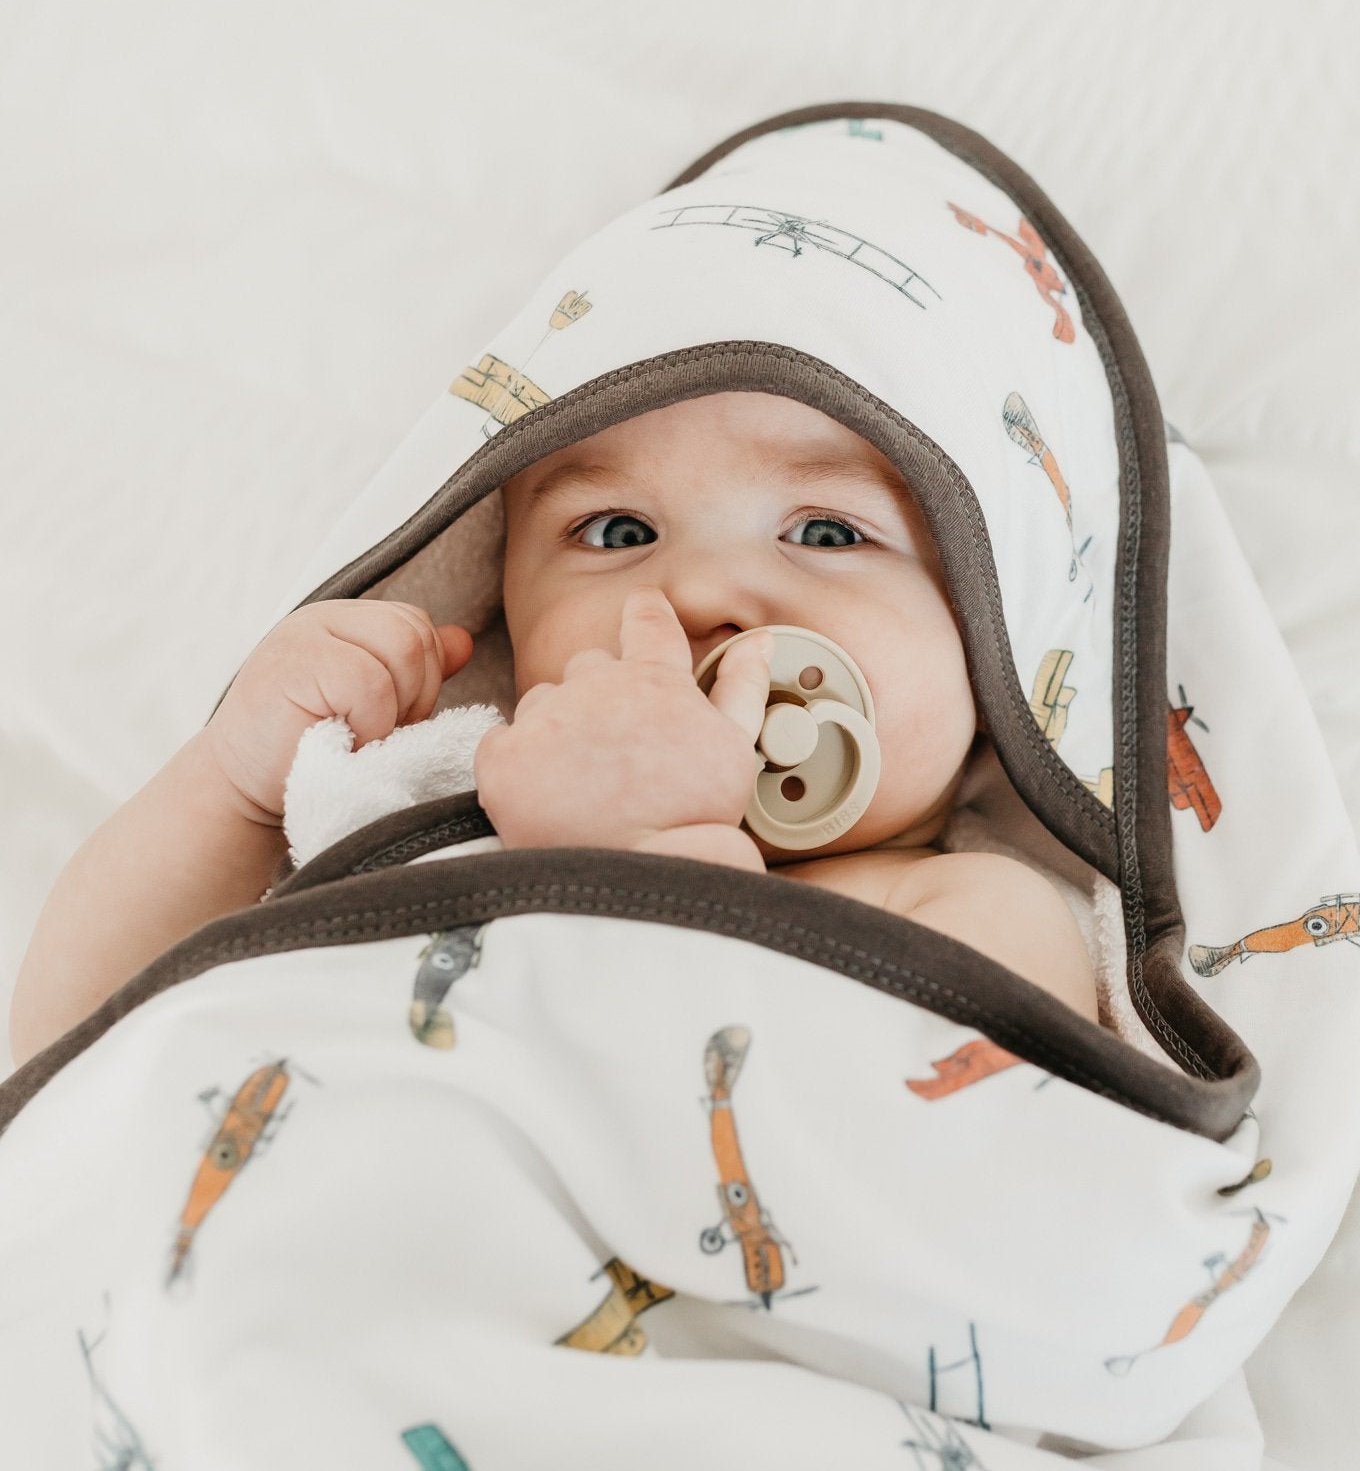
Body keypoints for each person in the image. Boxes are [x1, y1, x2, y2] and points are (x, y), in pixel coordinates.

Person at [8, 392, 1102, 1069]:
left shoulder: (978, 907)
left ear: (991, 635)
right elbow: (73, 1057)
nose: (699, 592)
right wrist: (234, 792)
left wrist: (654, 856)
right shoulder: (428, 793)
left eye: (825, 530)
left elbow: (920, 1168)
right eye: (617, 530)